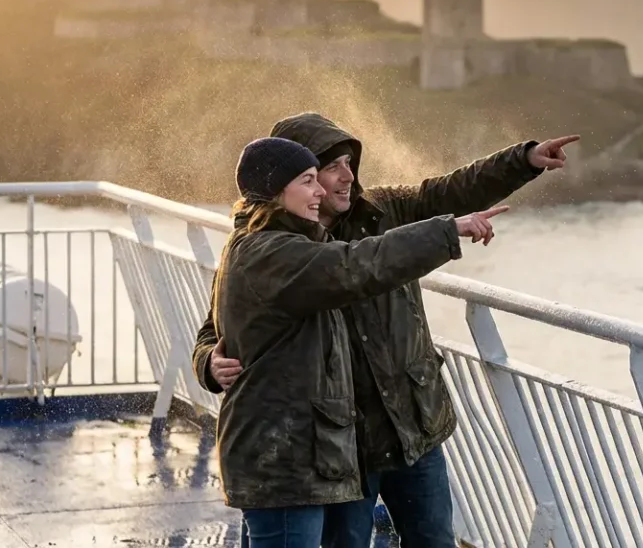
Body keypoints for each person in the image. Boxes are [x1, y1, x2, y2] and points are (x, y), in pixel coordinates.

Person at [192, 112, 579, 546]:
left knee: (434, 539)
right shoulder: (275, 247)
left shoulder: (381, 209)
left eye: (349, 163)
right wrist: (208, 361)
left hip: (412, 425)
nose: (344, 178)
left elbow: (447, 191)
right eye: (328, 168)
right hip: (343, 443)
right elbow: (225, 321)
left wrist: (523, 160)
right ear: (287, 183)